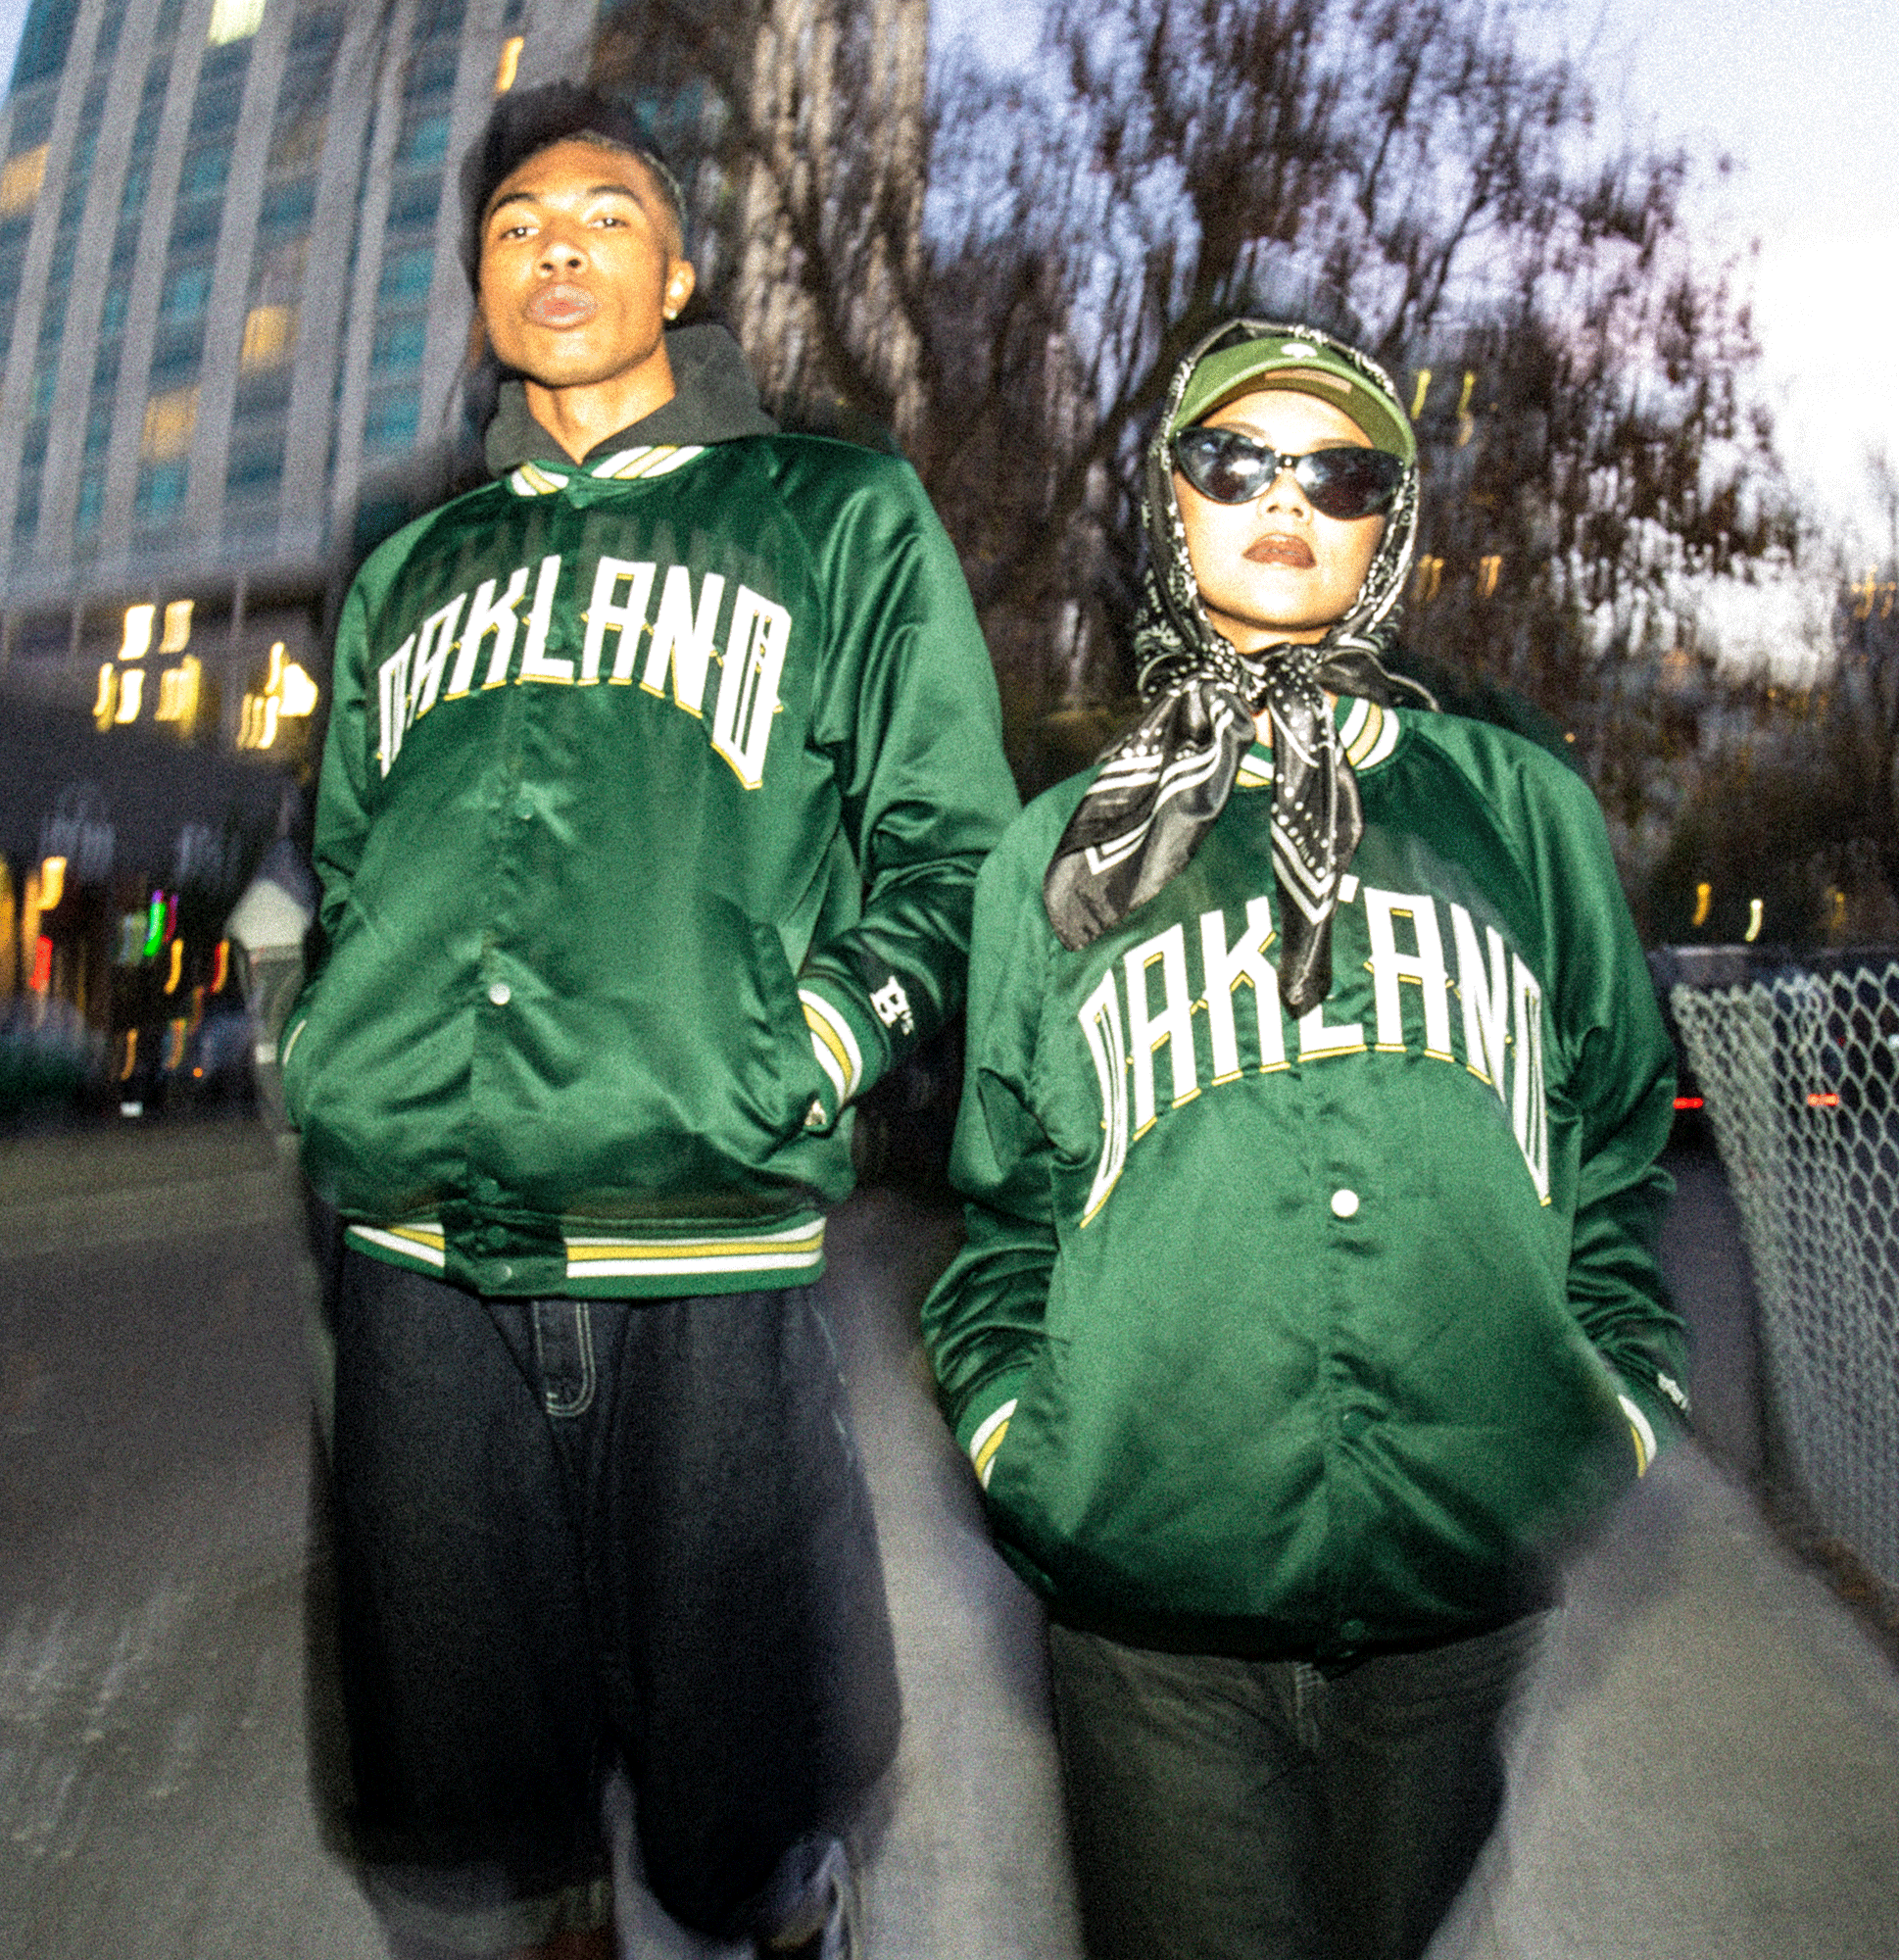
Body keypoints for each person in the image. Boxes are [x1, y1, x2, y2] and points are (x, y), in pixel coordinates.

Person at [284, 81, 1019, 1960]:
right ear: (479, 294)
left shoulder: (834, 515)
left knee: (747, 1771)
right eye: (517, 226)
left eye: (605, 216)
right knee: (490, 1764)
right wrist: (351, 1060)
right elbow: (350, 861)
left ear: (682, 269)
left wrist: (820, 1046)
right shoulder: (406, 572)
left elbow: (948, 844)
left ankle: (781, 1905)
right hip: (421, 1258)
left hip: (702, 1232)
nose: (557, 248)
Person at [921, 320, 1689, 1960]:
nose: (1284, 500)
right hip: (1150, 1622)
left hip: (1458, 1605)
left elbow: (1617, 1142)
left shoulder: (1517, 809)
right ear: (1172, 508)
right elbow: (1000, 1217)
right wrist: (1027, 1456)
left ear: (1388, 525)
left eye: (1336, 472)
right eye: (1233, 463)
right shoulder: (1056, 856)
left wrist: (1606, 1412)